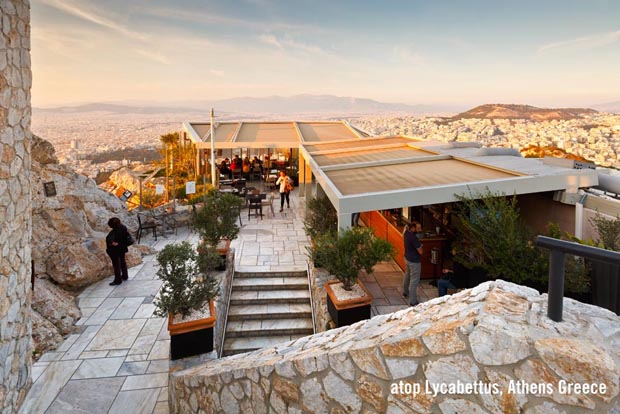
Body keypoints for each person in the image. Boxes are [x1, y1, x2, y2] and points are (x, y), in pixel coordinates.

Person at [402, 221, 423, 306]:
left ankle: (405, 292)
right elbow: (421, 252)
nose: (419, 230)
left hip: (407, 258)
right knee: (414, 281)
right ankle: (413, 301)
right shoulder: (414, 238)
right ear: (413, 228)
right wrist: (421, 246)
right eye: (417, 228)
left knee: (407, 275)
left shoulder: (406, 233)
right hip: (414, 261)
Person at [105, 217, 130, 286]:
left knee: (116, 265)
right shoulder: (123, 227)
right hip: (123, 248)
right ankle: (125, 276)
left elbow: (110, 241)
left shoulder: (114, 232)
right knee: (123, 262)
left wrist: (113, 243)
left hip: (115, 250)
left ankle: (118, 280)